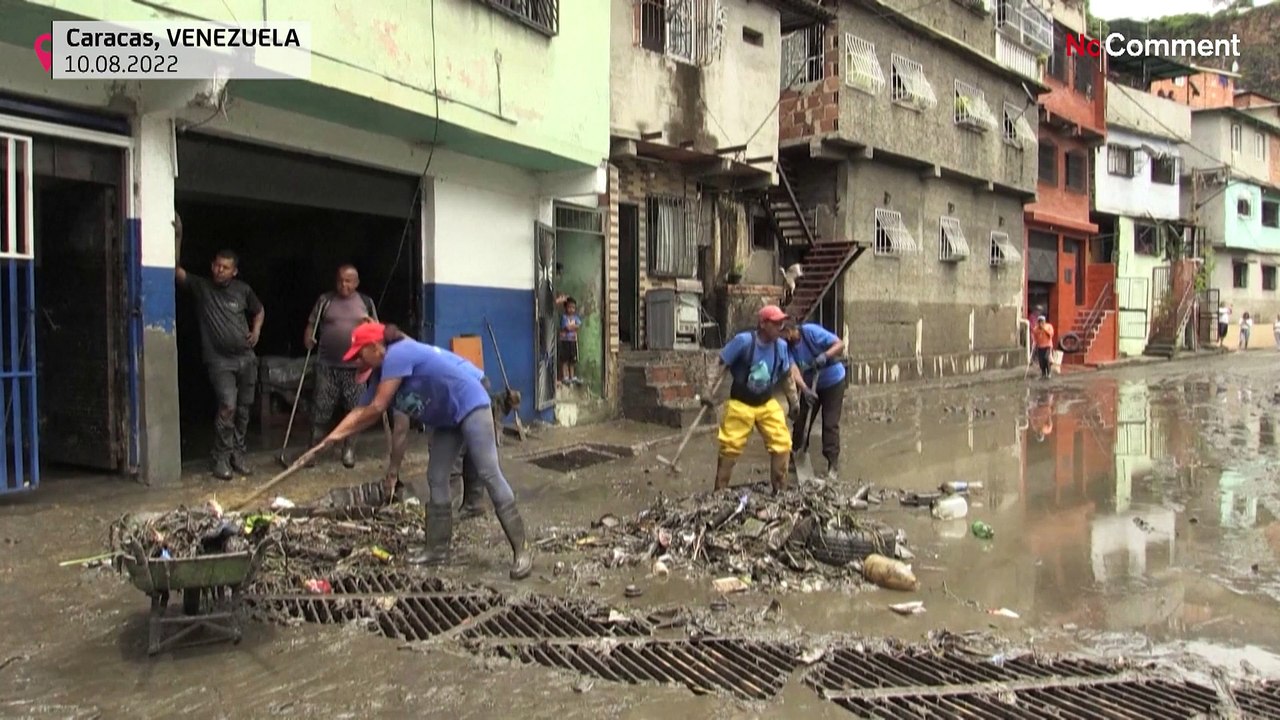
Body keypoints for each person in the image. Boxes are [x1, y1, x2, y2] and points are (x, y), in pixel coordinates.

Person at [317, 322, 532, 579]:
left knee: (488, 472)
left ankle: (522, 550)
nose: (356, 361)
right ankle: (437, 549)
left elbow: (375, 409)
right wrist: (329, 439)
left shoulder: (399, 354)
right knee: (437, 476)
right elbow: (359, 413)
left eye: (359, 353)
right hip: (446, 420)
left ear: (375, 347)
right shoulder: (379, 375)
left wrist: (335, 436)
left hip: (471, 404)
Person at [173, 213, 265, 480]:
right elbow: (175, 270)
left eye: (225, 267)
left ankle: (238, 453)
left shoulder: (242, 290)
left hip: (247, 359)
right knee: (228, 406)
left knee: (245, 409)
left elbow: (259, 310)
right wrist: (178, 236)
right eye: (216, 265)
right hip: (220, 361)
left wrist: (256, 330)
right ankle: (221, 457)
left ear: (234, 271)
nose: (219, 270)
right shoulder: (202, 287)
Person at [699, 305, 811, 494]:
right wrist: (707, 390)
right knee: (730, 447)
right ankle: (719, 491)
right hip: (740, 403)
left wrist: (794, 402)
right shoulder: (743, 342)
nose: (780, 326)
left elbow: (786, 376)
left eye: (781, 322)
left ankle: (780, 490)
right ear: (763, 324)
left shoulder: (781, 346)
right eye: (775, 323)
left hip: (766, 403)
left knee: (782, 443)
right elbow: (719, 363)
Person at [303, 265, 378, 468]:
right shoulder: (325, 300)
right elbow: (311, 323)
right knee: (320, 410)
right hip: (328, 366)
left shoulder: (366, 302)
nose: (343, 285)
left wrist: (370, 326)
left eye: (348, 281)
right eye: (340, 280)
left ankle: (349, 450)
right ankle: (313, 451)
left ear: (356, 282)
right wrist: (308, 337)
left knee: (354, 411)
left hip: (356, 368)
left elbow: (377, 333)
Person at [782, 318, 847, 481]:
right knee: (801, 420)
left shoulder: (810, 332)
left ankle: (832, 465)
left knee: (830, 423)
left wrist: (825, 355)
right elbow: (793, 369)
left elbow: (840, 344)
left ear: (789, 331)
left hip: (834, 381)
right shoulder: (786, 347)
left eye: (783, 334)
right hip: (811, 385)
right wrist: (805, 389)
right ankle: (797, 456)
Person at [556, 294, 582, 386]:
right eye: (569, 307)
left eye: (573, 308)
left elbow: (578, 326)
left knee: (572, 360)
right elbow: (566, 327)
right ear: (565, 307)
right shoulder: (564, 317)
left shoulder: (576, 317)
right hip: (565, 341)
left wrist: (571, 327)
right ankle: (565, 376)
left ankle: (572, 376)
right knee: (564, 359)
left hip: (573, 341)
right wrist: (572, 327)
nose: (571, 309)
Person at [1031, 315, 1054, 379]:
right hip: (1040, 346)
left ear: (1044, 322)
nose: (1041, 323)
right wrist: (1034, 343)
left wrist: (1044, 329)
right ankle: (1043, 373)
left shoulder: (1049, 326)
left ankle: (1049, 373)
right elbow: (1034, 338)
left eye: (1042, 321)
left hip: (1047, 345)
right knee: (1041, 360)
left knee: (1046, 358)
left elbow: (1051, 335)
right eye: (1039, 321)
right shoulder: (1036, 329)